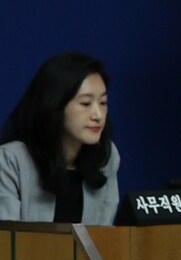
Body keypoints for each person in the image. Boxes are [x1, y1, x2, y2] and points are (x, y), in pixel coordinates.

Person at [0, 52, 120, 223]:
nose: (98, 115)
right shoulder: (10, 160)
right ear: (54, 105)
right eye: (86, 103)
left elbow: (108, 236)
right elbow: (6, 240)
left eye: (103, 103)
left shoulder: (106, 156)